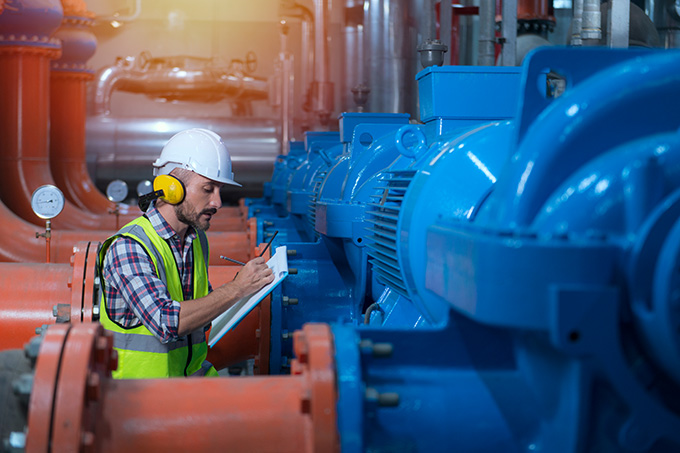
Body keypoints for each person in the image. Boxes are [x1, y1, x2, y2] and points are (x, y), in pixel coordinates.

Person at [98, 128, 274, 379]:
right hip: (139, 401)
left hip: (187, 389)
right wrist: (237, 288)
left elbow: (203, 311)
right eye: (208, 189)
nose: (218, 202)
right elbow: (166, 322)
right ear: (171, 188)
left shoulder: (195, 240)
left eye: (219, 190)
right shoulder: (130, 246)